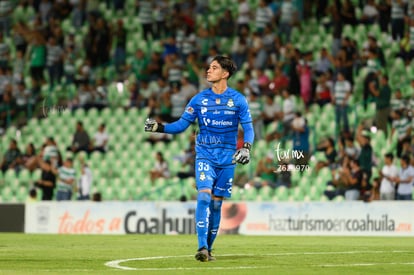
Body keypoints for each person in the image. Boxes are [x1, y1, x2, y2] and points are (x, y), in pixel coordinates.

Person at [144, 56, 254, 262]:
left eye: (214, 68)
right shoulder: (199, 99)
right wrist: (158, 127)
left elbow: (248, 128)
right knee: (203, 197)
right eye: (209, 67)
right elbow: (180, 125)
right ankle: (201, 246)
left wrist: (246, 148)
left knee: (216, 205)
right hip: (205, 156)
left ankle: (209, 250)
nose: (208, 71)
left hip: (227, 159)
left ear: (225, 73)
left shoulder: (238, 100)